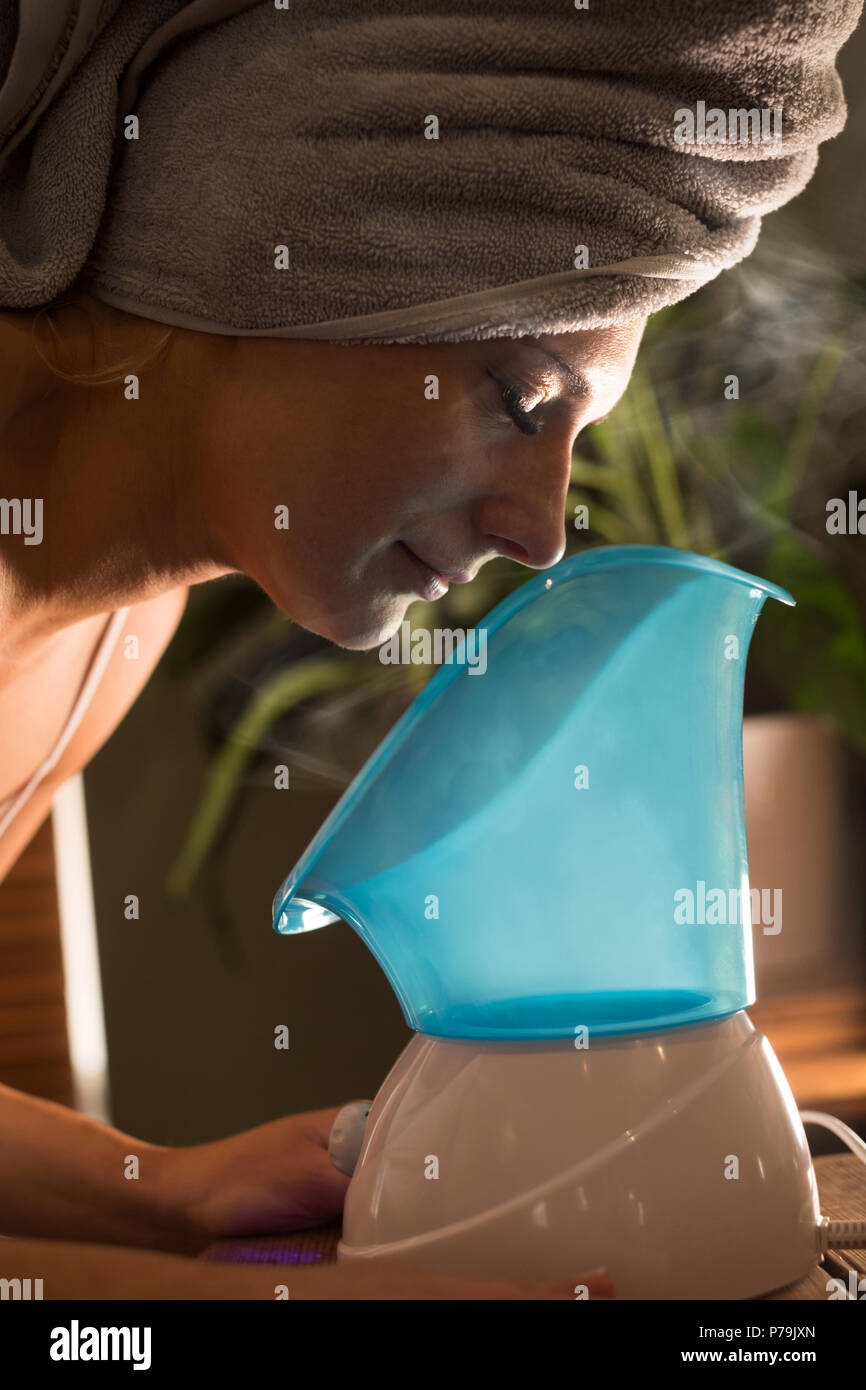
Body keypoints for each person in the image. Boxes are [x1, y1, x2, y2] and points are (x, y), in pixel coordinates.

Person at [0, 0, 860, 1298]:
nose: (536, 531)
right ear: (278, 249)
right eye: (517, 397)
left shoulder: (126, 618)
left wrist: (162, 1191)